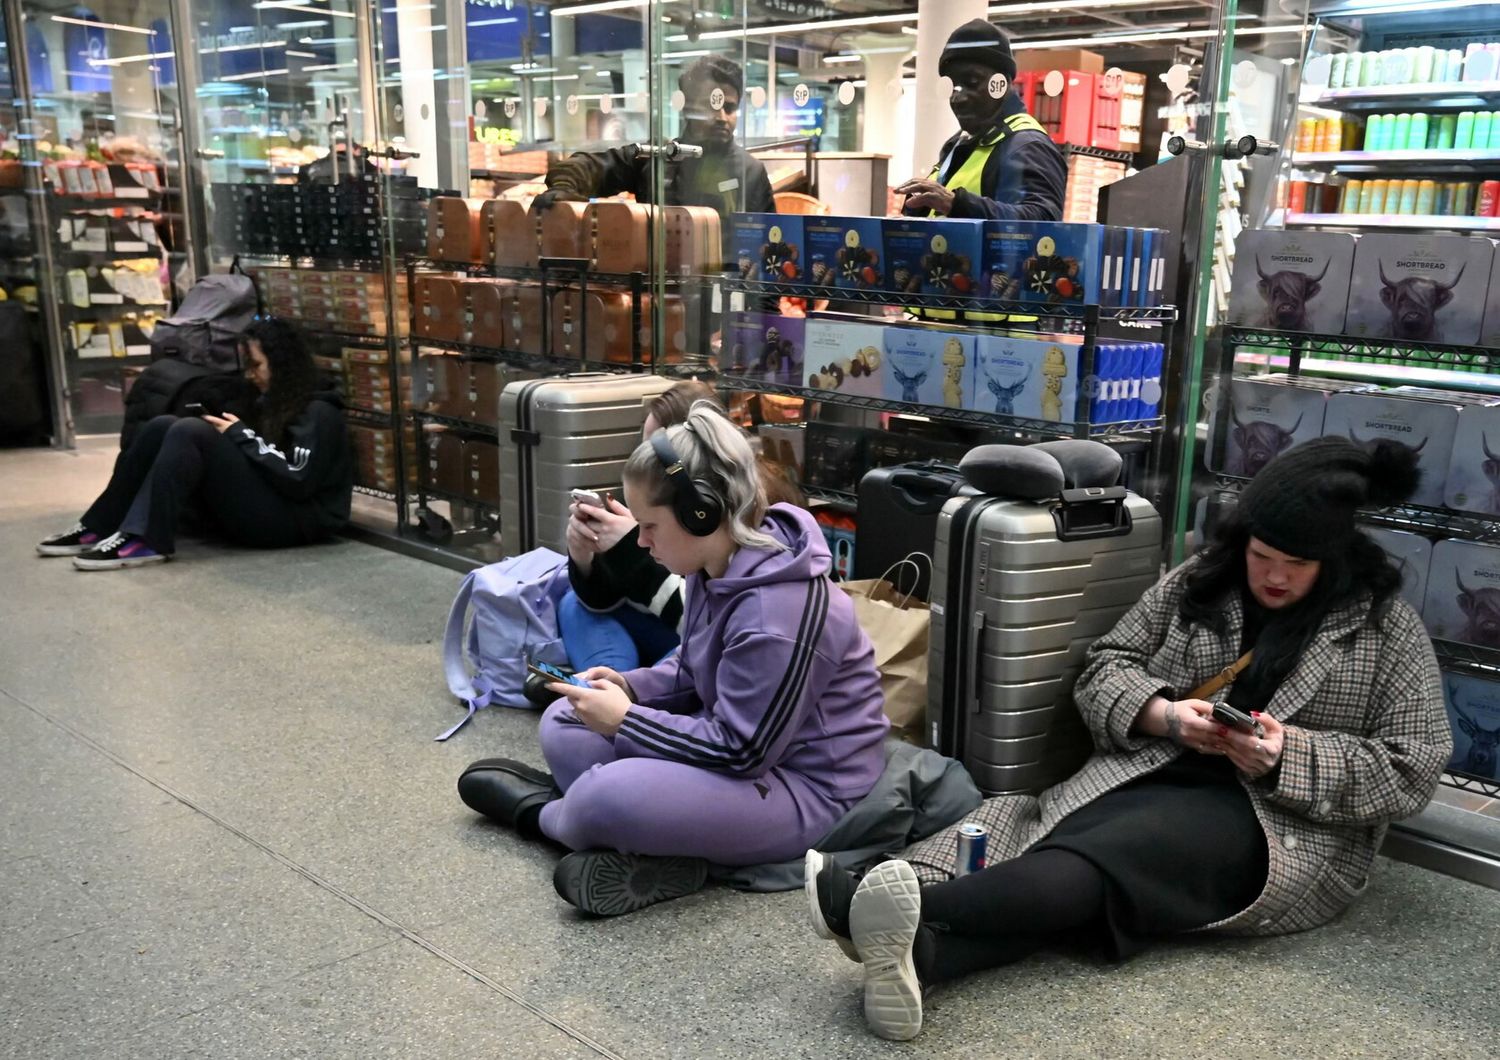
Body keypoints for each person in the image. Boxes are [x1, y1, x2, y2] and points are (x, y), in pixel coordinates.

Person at [804, 437, 1452, 1040]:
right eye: (1261, 557)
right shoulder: (1201, 582)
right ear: (1243, 541)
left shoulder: (1384, 629)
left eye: (1296, 564)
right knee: (1086, 859)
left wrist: (1288, 755)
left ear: (1334, 559)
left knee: (1103, 856)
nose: (1274, 577)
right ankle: (924, 952)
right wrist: (1166, 716)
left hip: (1276, 822)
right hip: (1155, 769)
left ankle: (894, 902)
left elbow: (1415, 766)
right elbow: (1106, 666)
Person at [458, 402, 888, 917]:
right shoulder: (715, 563)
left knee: (605, 797)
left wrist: (627, 719)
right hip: (743, 760)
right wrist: (629, 685)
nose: (639, 541)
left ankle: (545, 815)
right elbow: (691, 664)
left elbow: (742, 752)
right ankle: (640, 838)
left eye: (650, 526)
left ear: (700, 513)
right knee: (562, 722)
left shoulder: (779, 610)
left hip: (807, 791)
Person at [36, 318, 353, 570]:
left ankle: (147, 540)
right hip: (271, 507)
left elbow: (298, 478)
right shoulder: (273, 400)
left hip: (294, 523)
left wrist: (240, 435)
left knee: (190, 432)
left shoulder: (319, 412)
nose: (250, 375)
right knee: (164, 426)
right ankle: (99, 526)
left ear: (282, 366)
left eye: (256, 366)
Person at [553, 380, 804, 687]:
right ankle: (603, 688)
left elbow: (706, 621)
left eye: (654, 449)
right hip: (665, 631)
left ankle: (614, 696)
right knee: (571, 603)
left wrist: (631, 548)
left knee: (685, 665)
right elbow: (610, 599)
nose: (643, 459)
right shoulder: (658, 492)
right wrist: (586, 556)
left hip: (695, 640)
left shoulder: (741, 504)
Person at [532, 55, 774, 240]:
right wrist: (564, 188)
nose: (722, 117)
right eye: (711, 106)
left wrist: (762, 306)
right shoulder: (656, 156)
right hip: (659, 292)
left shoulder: (750, 172)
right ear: (688, 107)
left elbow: (766, 250)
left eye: (730, 108)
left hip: (723, 298)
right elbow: (585, 167)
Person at [896, 19, 1066, 223]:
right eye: (953, 87)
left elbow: (1043, 221)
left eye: (972, 83)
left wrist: (956, 204)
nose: (958, 97)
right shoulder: (960, 143)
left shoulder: (1026, 145)